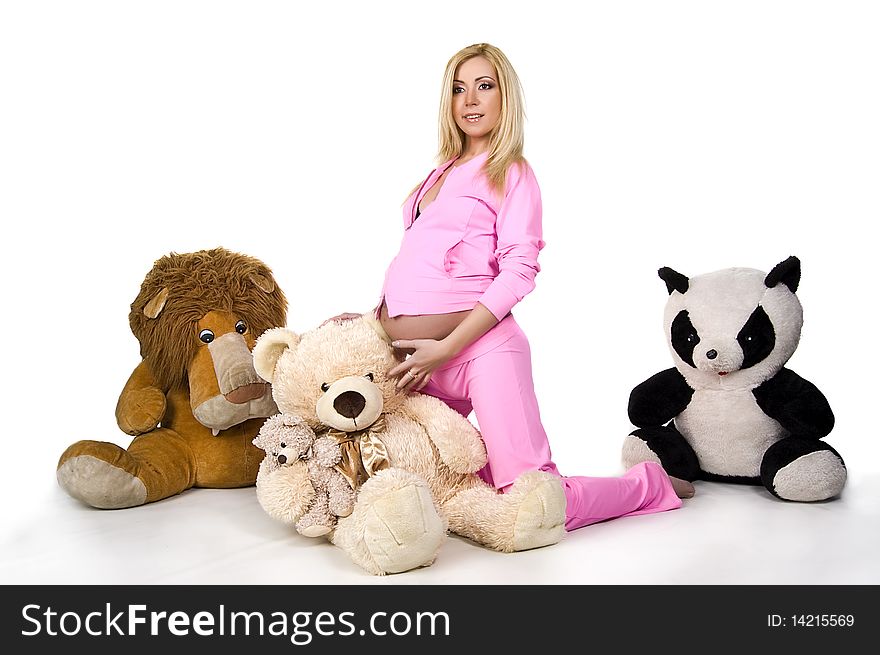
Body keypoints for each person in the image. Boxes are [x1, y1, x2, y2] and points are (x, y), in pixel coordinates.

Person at [326, 43, 693, 532]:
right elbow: (419, 261)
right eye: (459, 89)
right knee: (417, 464)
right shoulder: (437, 173)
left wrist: (448, 347)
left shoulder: (512, 172)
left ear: (505, 98)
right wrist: (375, 320)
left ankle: (650, 485)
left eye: (484, 86)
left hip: (480, 350)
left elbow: (519, 271)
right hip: (415, 356)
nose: (470, 100)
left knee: (530, 494)